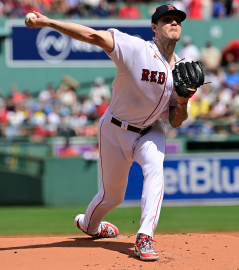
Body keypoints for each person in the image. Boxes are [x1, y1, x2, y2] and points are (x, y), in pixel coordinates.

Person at [26, 4, 195, 261]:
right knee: (112, 196)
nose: (174, 23)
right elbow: (93, 36)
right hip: (114, 129)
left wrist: (183, 101)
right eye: (167, 19)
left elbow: (175, 121)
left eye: (177, 20)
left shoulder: (182, 70)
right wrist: (49, 23)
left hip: (151, 131)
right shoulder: (136, 49)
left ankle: (145, 236)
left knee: (155, 168)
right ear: (154, 27)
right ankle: (89, 225)